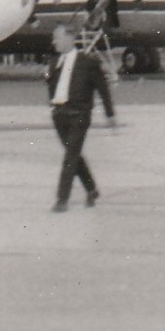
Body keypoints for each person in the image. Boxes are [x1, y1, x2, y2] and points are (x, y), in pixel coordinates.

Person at [46, 24, 117, 212]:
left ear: (70, 38)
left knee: (70, 156)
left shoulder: (88, 62)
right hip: (60, 115)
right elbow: (52, 86)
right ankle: (92, 189)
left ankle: (62, 199)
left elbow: (103, 88)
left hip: (79, 115)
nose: (54, 42)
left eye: (57, 38)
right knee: (74, 155)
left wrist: (110, 114)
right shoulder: (54, 62)